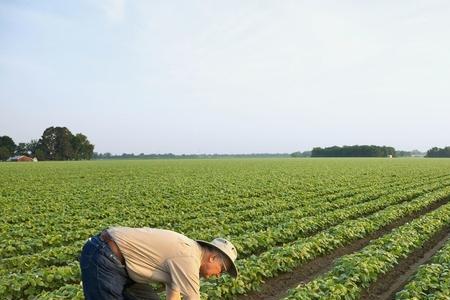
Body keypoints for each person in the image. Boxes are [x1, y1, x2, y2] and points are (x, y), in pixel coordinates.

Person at [79, 227, 238, 300]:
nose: (218, 275)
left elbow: (174, 295)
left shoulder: (187, 260)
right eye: (221, 270)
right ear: (213, 258)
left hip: (125, 267)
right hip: (104, 255)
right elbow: (192, 297)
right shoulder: (189, 257)